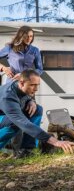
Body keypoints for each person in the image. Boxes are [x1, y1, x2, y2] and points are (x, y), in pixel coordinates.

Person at [0, 69, 74, 157]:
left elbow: (23, 95)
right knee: (16, 123)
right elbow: (24, 124)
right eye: (32, 85)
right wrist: (55, 141)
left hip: (6, 115)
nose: (36, 89)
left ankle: (27, 150)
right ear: (21, 83)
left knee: (37, 109)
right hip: (2, 117)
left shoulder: (20, 86)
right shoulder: (8, 97)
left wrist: (31, 100)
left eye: (37, 85)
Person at [0, 25, 43, 153]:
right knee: (15, 118)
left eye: (31, 36)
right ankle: (14, 149)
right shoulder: (9, 48)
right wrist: (4, 68)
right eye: (27, 36)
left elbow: (40, 69)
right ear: (21, 35)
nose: (30, 38)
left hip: (28, 87)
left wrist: (25, 74)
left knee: (32, 112)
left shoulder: (35, 50)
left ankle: (27, 149)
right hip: (12, 88)